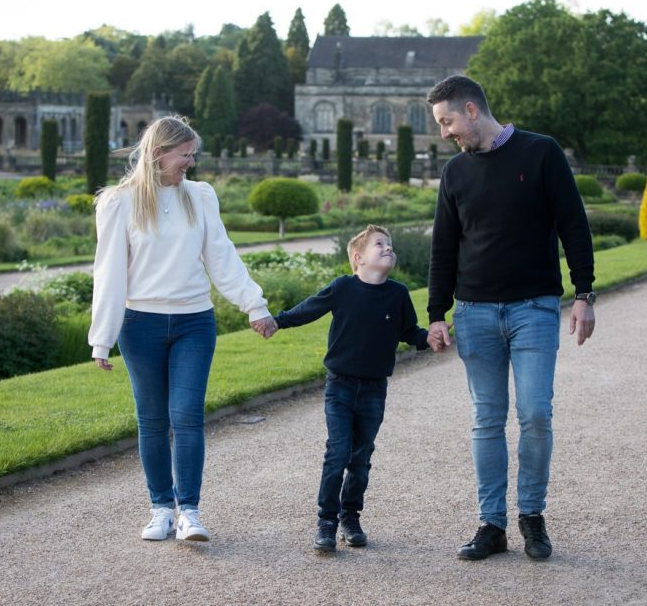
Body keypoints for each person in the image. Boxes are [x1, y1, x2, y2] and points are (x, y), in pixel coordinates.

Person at [425, 75, 596, 562]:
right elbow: (443, 248)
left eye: (447, 121)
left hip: (534, 309)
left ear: (472, 111)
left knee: (536, 414)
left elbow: (573, 225)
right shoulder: (456, 172)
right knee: (486, 420)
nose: (444, 133)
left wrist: (583, 293)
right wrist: (437, 313)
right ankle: (491, 524)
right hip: (475, 311)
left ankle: (532, 516)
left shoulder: (541, 152)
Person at [89, 115, 277, 543]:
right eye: (185, 154)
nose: (191, 162)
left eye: (193, 154)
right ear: (159, 153)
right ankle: (161, 510)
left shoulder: (201, 196)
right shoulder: (119, 202)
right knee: (152, 420)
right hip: (140, 326)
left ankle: (189, 511)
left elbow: (222, 257)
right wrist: (102, 335)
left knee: (187, 416)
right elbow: (109, 272)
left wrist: (255, 305)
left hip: (195, 322)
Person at [254, 225, 438, 552]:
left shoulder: (398, 294)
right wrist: (277, 320)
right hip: (339, 385)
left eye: (390, 245)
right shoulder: (342, 288)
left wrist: (429, 339)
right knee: (337, 451)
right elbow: (309, 308)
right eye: (379, 245)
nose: (388, 249)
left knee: (361, 456)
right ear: (358, 258)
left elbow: (409, 332)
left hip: (374, 389)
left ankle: (350, 516)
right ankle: (327, 520)